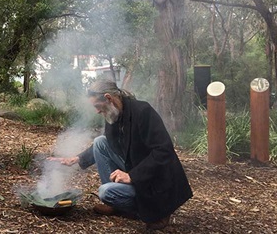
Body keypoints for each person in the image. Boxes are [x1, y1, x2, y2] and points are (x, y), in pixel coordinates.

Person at [49, 79, 192, 230]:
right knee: (100, 142)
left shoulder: (143, 112)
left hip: (156, 181)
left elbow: (164, 151)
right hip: (135, 165)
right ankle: (116, 205)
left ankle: (158, 211)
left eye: (98, 106)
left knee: (105, 192)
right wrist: (77, 158)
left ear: (108, 98)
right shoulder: (113, 113)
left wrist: (132, 176)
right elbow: (108, 144)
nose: (97, 111)